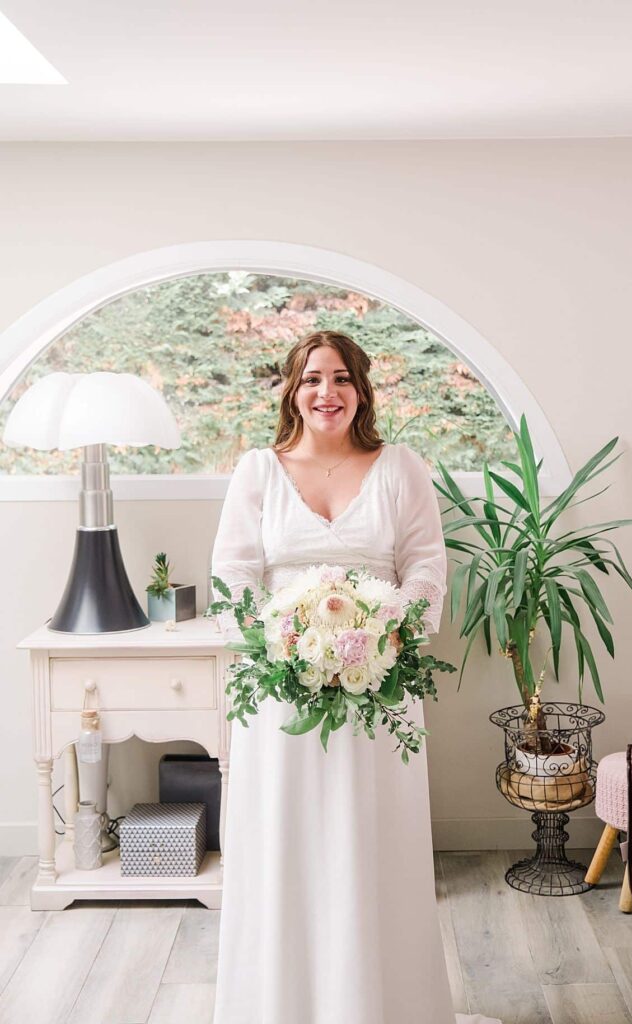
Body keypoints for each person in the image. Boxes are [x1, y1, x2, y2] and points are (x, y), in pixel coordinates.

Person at [211, 330, 501, 1024]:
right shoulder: (257, 470)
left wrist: (385, 631)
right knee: (286, 847)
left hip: (380, 689)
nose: (326, 392)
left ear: (361, 391)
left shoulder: (399, 468)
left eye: (341, 379)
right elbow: (232, 574)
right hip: (280, 695)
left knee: (369, 843)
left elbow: (427, 564)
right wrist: (276, 646)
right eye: (312, 378)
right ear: (291, 389)